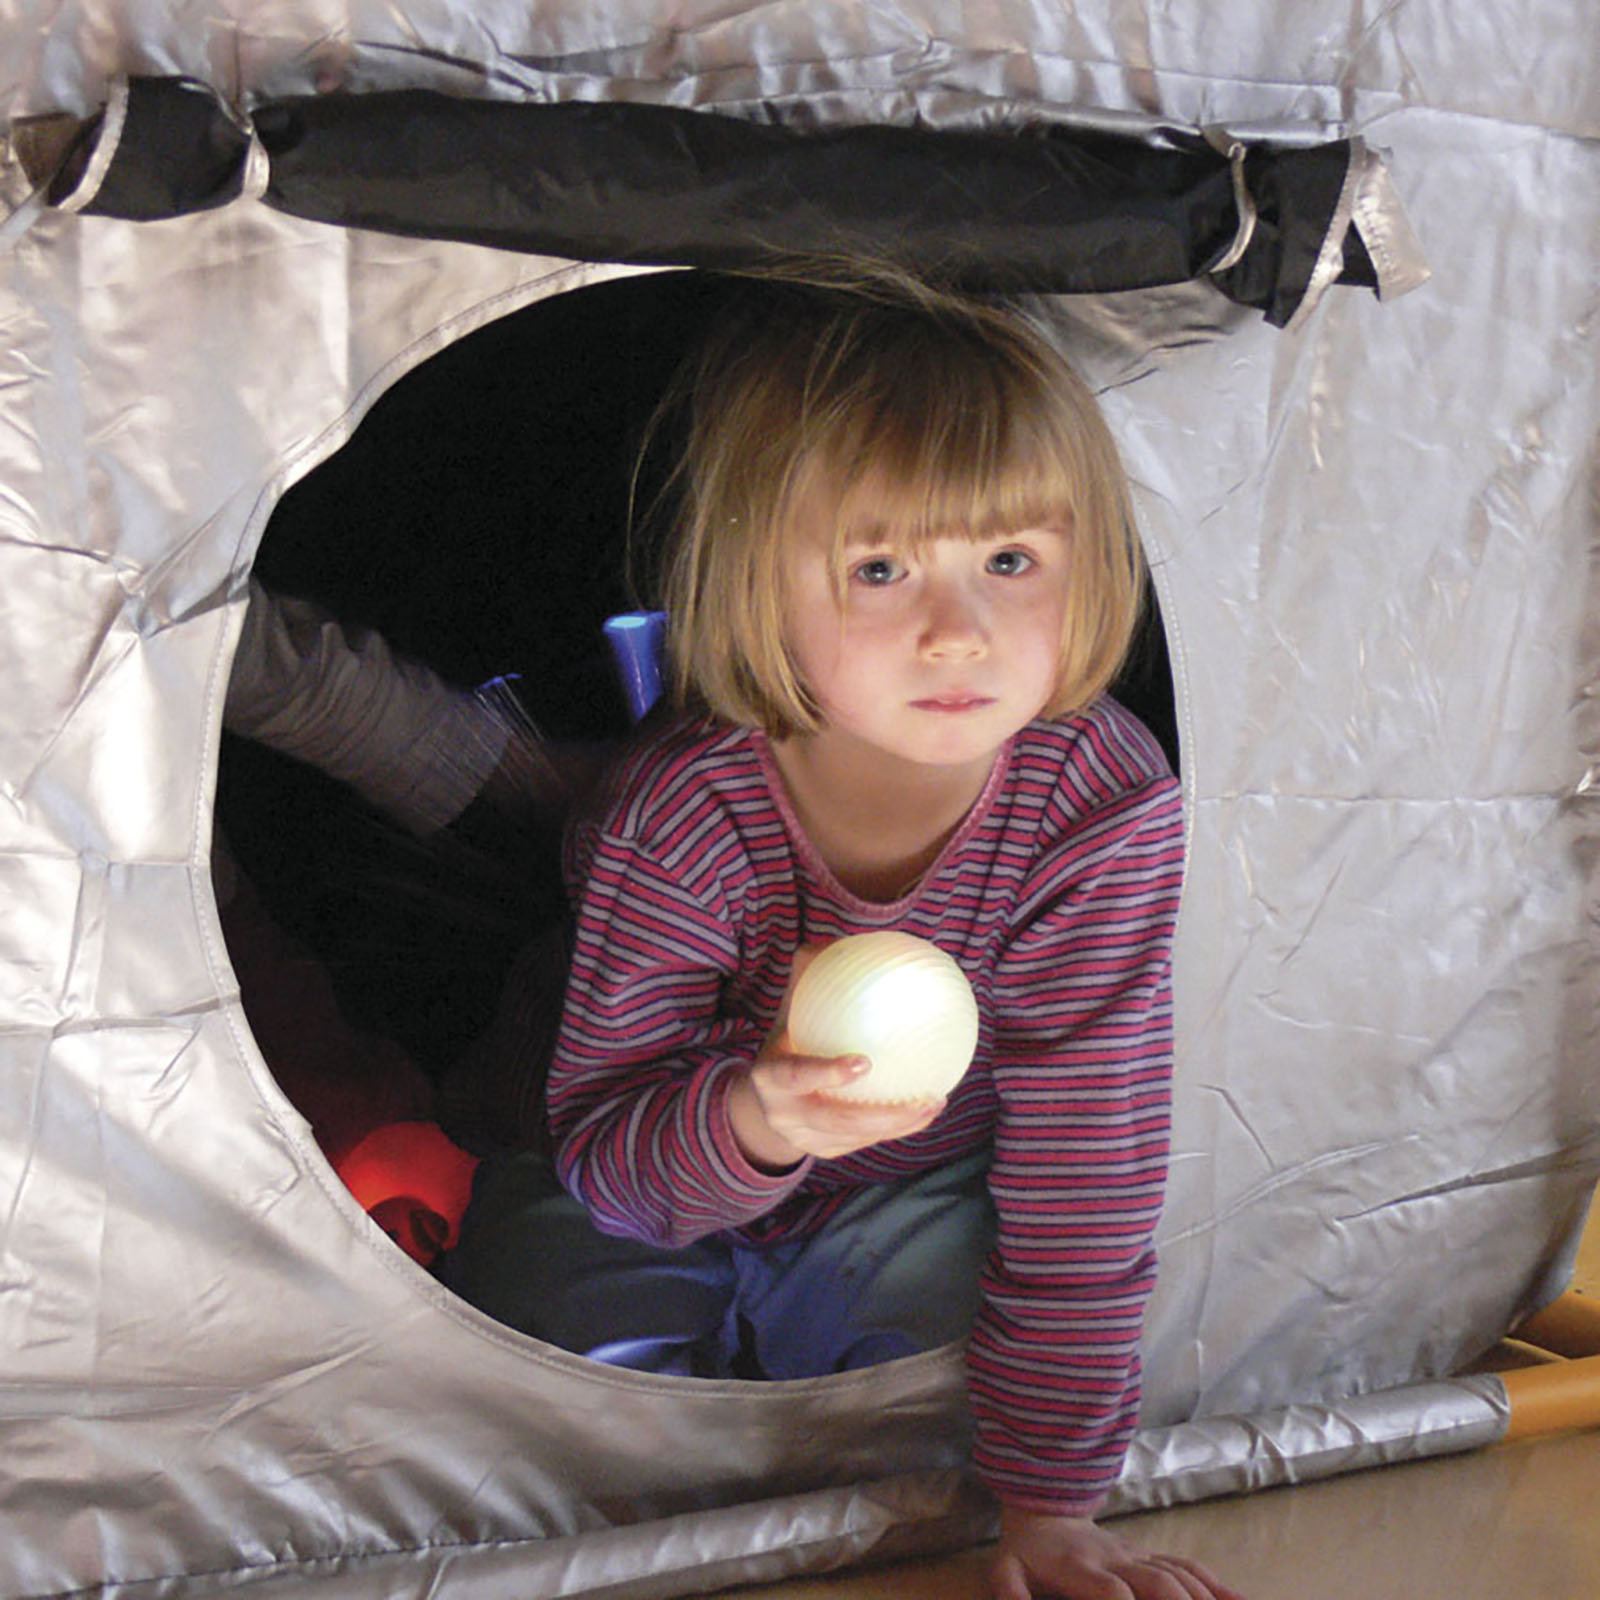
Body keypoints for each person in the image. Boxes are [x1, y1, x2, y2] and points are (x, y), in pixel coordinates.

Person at [442, 273, 1240, 1600]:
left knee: (950, 1402)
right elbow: (609, 1156)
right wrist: (757, 1121)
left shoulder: (1094, 803)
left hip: (903, 1187)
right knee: (549, 1416)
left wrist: (1052, 1507)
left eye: (1010, 561)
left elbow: (1086, 1164)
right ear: (764, 587)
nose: (958, 632)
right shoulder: (683, 812)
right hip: (627, 1172)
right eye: (880, 568)